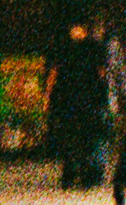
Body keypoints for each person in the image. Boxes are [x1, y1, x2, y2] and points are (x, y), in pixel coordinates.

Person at [45, 24, 110, 189]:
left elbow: (53, 73)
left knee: (70, 137)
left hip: (67, 100)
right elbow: (101, 73)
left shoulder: (63, 47)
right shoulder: (94, 47)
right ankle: (86, 173)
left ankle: (69, 173)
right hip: (88, 99)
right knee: (87, 137)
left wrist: (47, 97)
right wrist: (103, 96)